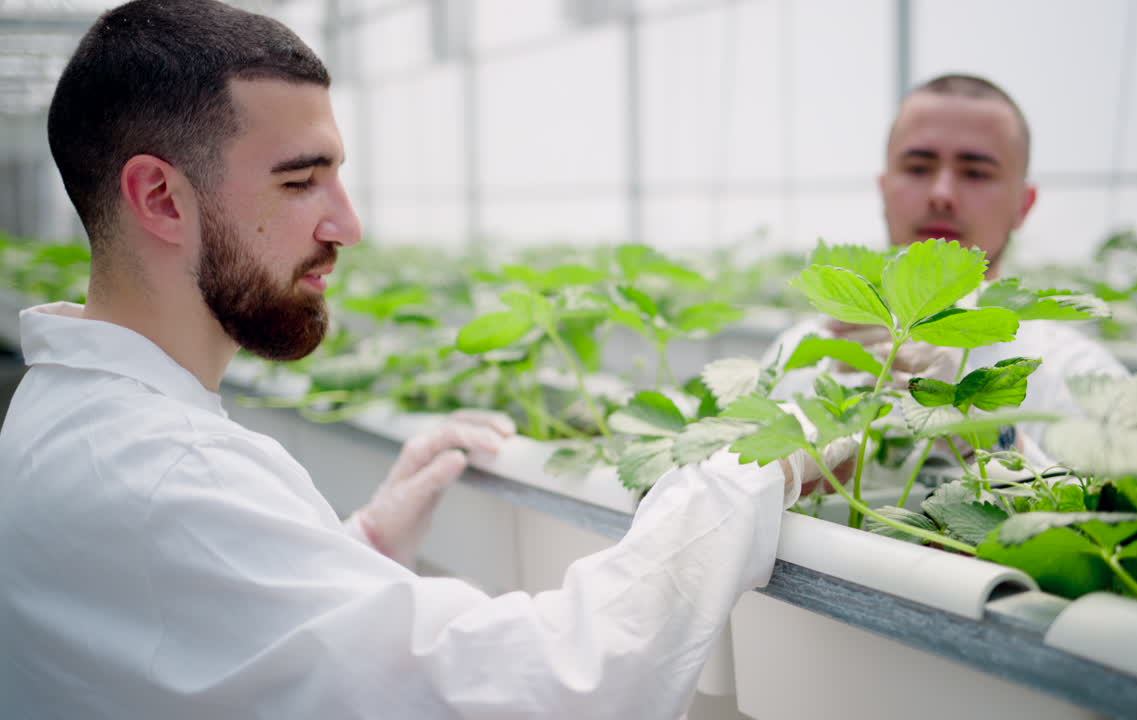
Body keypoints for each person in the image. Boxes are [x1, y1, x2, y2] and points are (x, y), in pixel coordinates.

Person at [0, 2, 842, 717]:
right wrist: (735, 471)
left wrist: (362, 543)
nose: (347, 225)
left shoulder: (66, 418)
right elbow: (548, 689)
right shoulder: (162, 474)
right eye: (301, 183)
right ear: (158, 197)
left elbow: (198, 642)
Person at [770, 74, 1128, 464]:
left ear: (1024, 205)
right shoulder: (801, 354)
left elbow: (1103, 519)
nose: (941, 194)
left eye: (975, 173)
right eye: (919, 167)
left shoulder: (1079, 378)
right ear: (884, 189)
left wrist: (978, 426)